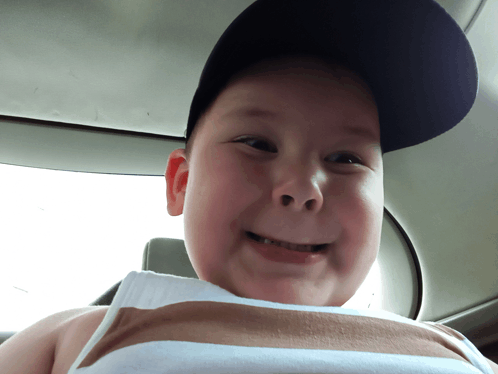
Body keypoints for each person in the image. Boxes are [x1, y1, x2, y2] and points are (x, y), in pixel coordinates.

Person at [1, 0, 496, 373]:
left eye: (345, 158)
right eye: (257, 143)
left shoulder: (452, 346)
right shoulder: (85, 333)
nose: (303, 187)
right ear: (181, 183)